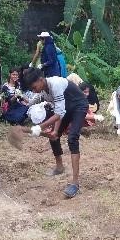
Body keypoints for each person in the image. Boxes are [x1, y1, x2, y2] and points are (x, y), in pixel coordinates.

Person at [24, 68, 88, 198]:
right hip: (66, 108)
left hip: (79, 105)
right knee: (54, 137)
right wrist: (55, 131)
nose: (33, 90)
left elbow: (58, 114)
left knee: (72, 138)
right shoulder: (44, 91)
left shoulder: (56, 85)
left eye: (34, 87)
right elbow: (59, 111)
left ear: (41, 80)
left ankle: (75, 183)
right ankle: (59, 167)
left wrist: (39, 127)